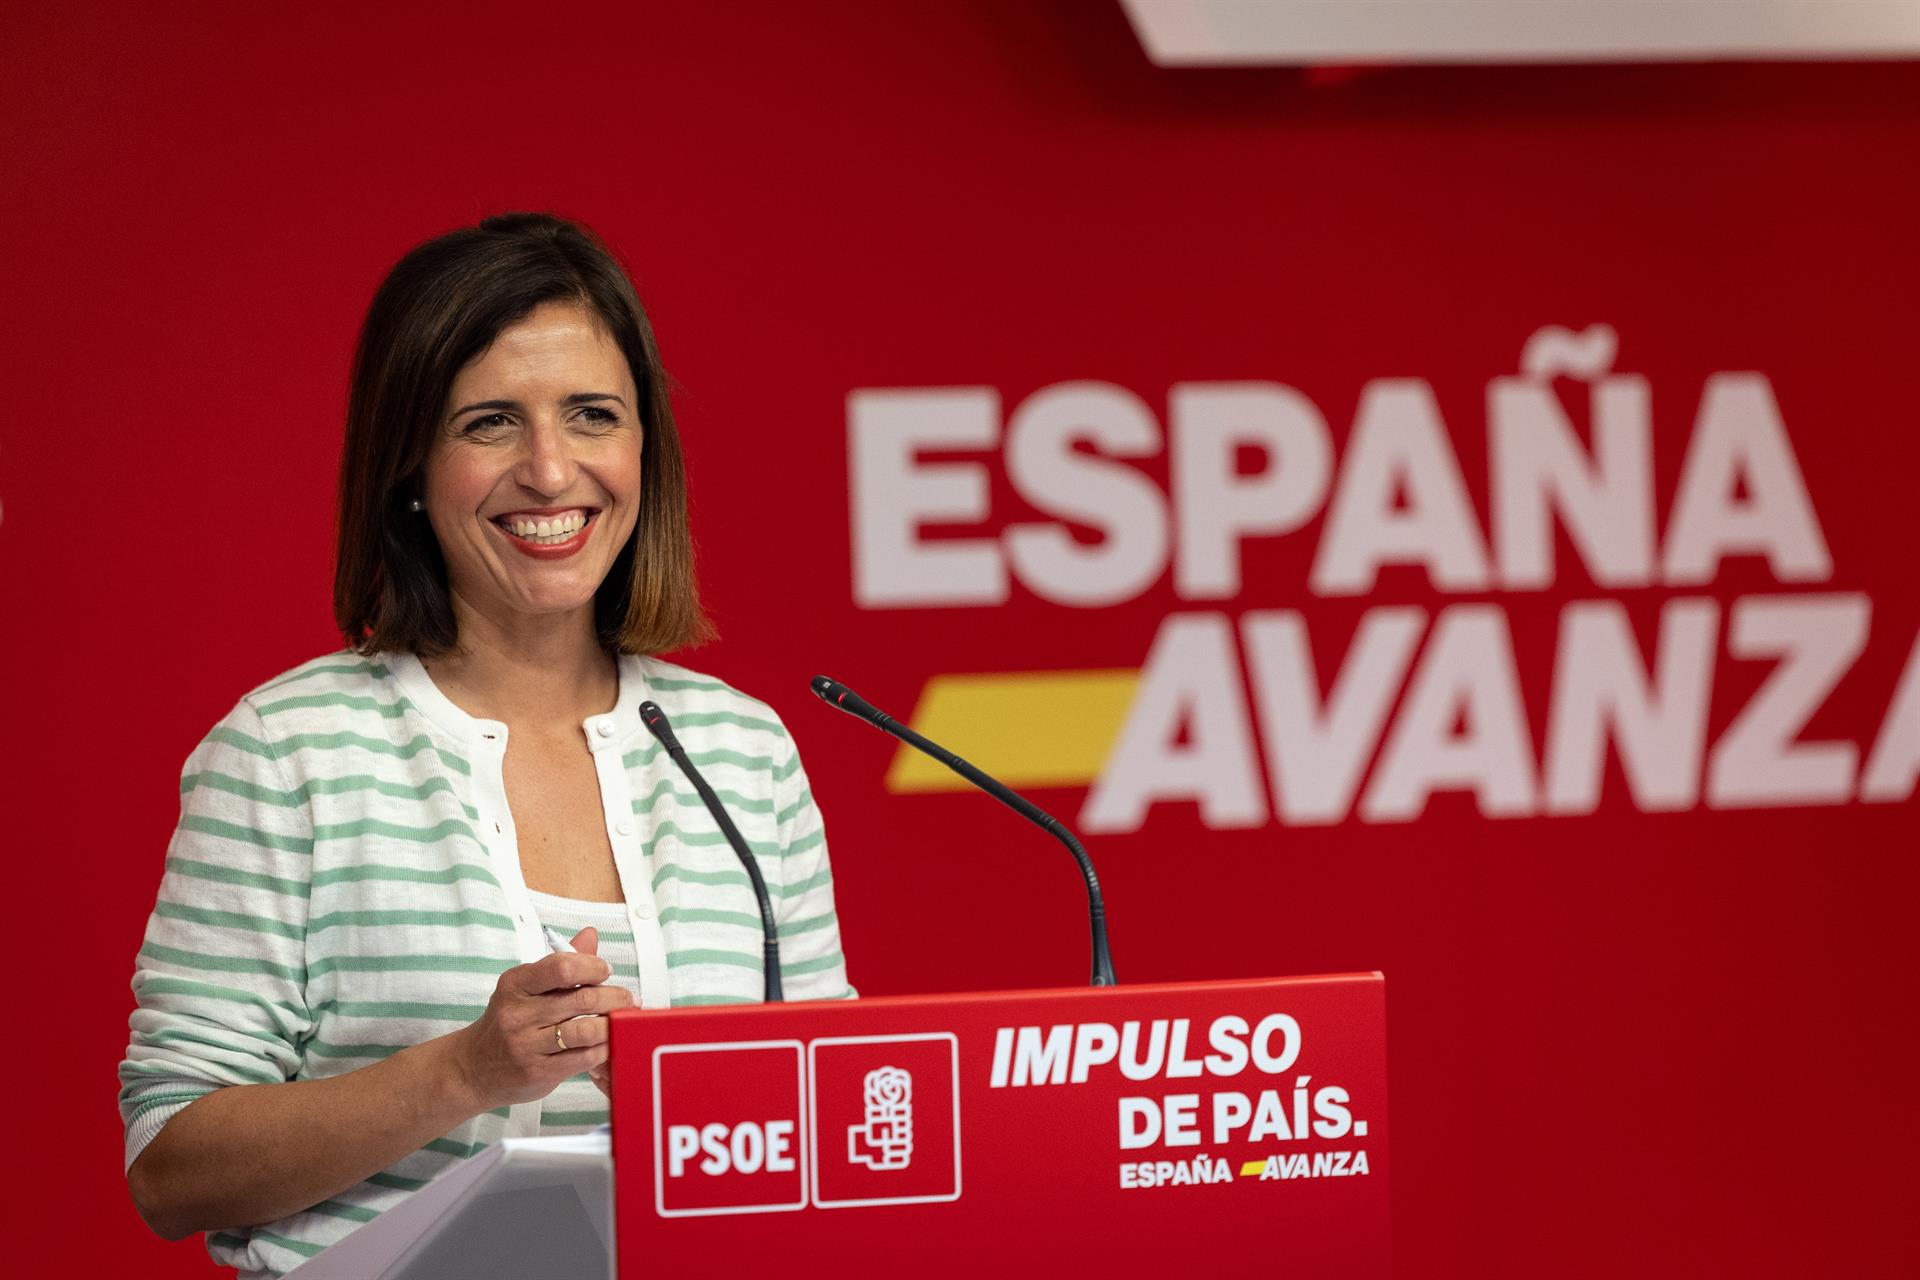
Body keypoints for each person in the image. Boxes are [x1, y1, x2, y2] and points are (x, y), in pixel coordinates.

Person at [119, 211, 855, 1278]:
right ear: (410, 466)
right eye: (491, 423)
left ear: (644, 448)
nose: (551, 472)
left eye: (593, 415)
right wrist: (465, 1071)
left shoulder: (741, 750)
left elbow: (835, 1113)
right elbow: (170, 1168)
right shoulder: (287, 751)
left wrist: (706, 1101)